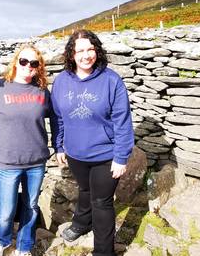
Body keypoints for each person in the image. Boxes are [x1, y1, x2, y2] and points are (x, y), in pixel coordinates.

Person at [51, 29, 134, 256]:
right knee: (85, 189)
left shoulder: (111, 80)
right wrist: (58, 145)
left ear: (97, 50)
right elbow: (57, 117)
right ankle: (81, 222)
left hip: (105, 156)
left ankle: (103, 252)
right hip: (76, 154)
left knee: (102, 202)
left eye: (90, 49)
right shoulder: (61, 82)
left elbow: (122, 121)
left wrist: (121, 157)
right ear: (71, 55)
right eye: (80, 51)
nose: (86, 55)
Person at [0, 44, 53, 256]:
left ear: (38, 67)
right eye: (24, 61)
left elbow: (58, 118)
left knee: (30, 206)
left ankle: (24, 246)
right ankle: (2, 240)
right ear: (15, 62)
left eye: (34, 63)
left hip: (36, 161)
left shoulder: (42, 91)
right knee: (6, 210)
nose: (28, 66)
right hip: (8, 161)